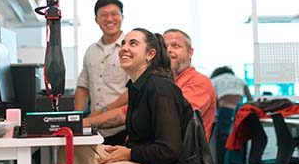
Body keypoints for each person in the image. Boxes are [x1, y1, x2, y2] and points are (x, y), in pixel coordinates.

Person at [59, 28, 193, 164]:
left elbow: (170, 149)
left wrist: (130, 153)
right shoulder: (137, 87)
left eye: (133, 44)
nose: (124, 48)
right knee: (71, 149)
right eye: (123, 43)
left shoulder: (160, 88)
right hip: (137, 157)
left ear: (150, 54)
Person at [84, 28, 217, 141]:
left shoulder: (199, 83)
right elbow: (123, 113)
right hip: (141, 152)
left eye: (176, 46)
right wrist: (84, 122)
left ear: (190, 52)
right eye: (165, 47)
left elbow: (171, 118)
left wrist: (130, 153)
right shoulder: (161, 81)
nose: (169, 50)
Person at [74, 0, 128, 145]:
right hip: (95, 128)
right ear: (96, 20)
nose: (109, 19)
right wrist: (77, 118)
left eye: (114, 14)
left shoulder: (129, 49)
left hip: (122, 128)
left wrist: (104, 111)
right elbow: (82, 86)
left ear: (122, 17)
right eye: (103, 15)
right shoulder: (91, 50)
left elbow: (133, 90)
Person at [210, 66, 252, 164]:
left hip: (225, 113)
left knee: (224, 147)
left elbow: (212, 102)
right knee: (237, 145)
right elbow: (250, 100)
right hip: (240, 114)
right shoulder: (240, 80)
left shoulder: (215, 80)